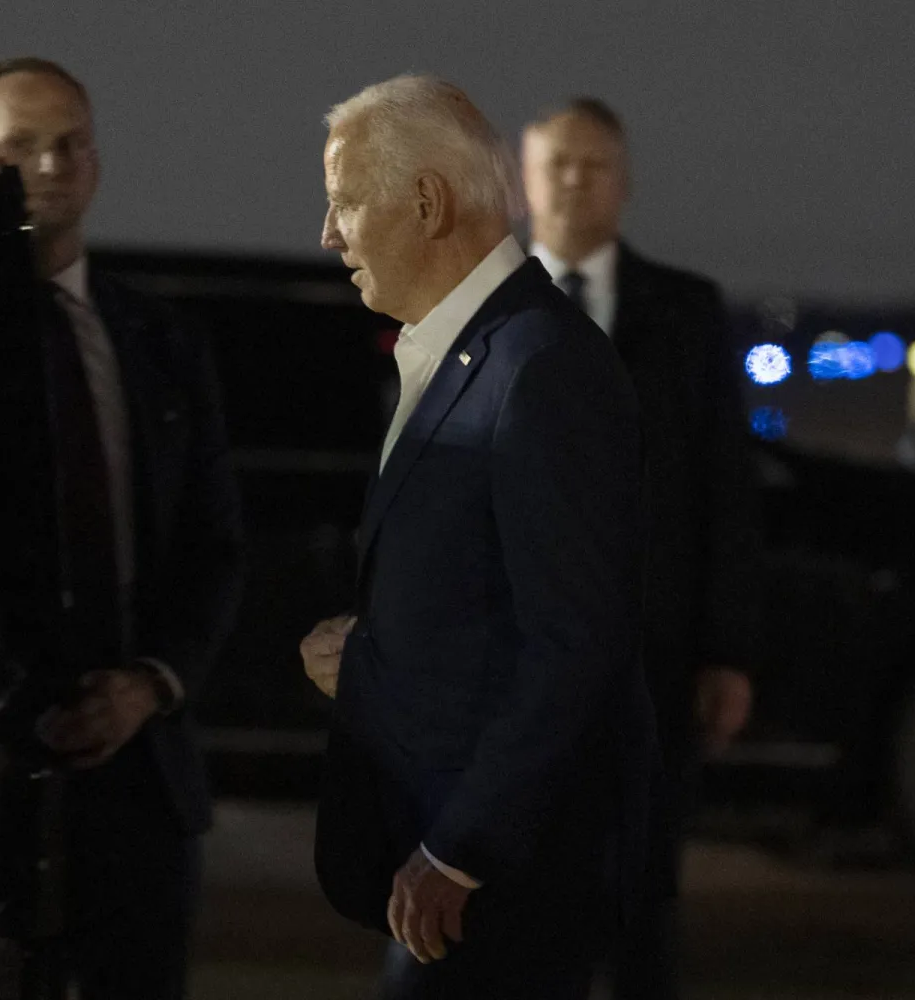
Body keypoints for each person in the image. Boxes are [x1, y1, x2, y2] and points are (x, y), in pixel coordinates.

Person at [300, 75, 656, 1000]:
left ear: (426, 201)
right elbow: (483, 609)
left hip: (497, 887)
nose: (328, 235)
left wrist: (459, 853)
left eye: (343, 203)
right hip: (446, 863)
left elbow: (574, 638)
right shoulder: (473, 352)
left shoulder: (538, 367)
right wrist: (369, 655)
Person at [0, 58, 245, 1000]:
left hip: (141, 786)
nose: (50, 163)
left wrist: (152, 684)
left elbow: (213, 544)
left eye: (70, 141)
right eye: (19, 144)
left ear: (98, 162)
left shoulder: (157, 342)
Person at [521, 96, 761, 999]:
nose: (576, 181)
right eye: (559, 164)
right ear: (523, 179)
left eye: (594, 165)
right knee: (517, 900)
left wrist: (727, 651)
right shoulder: (473, 308)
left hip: (650, 665)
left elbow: (724, 493)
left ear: (626, 183)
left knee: (639, 902)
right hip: (517, 667)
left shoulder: (685, 312)